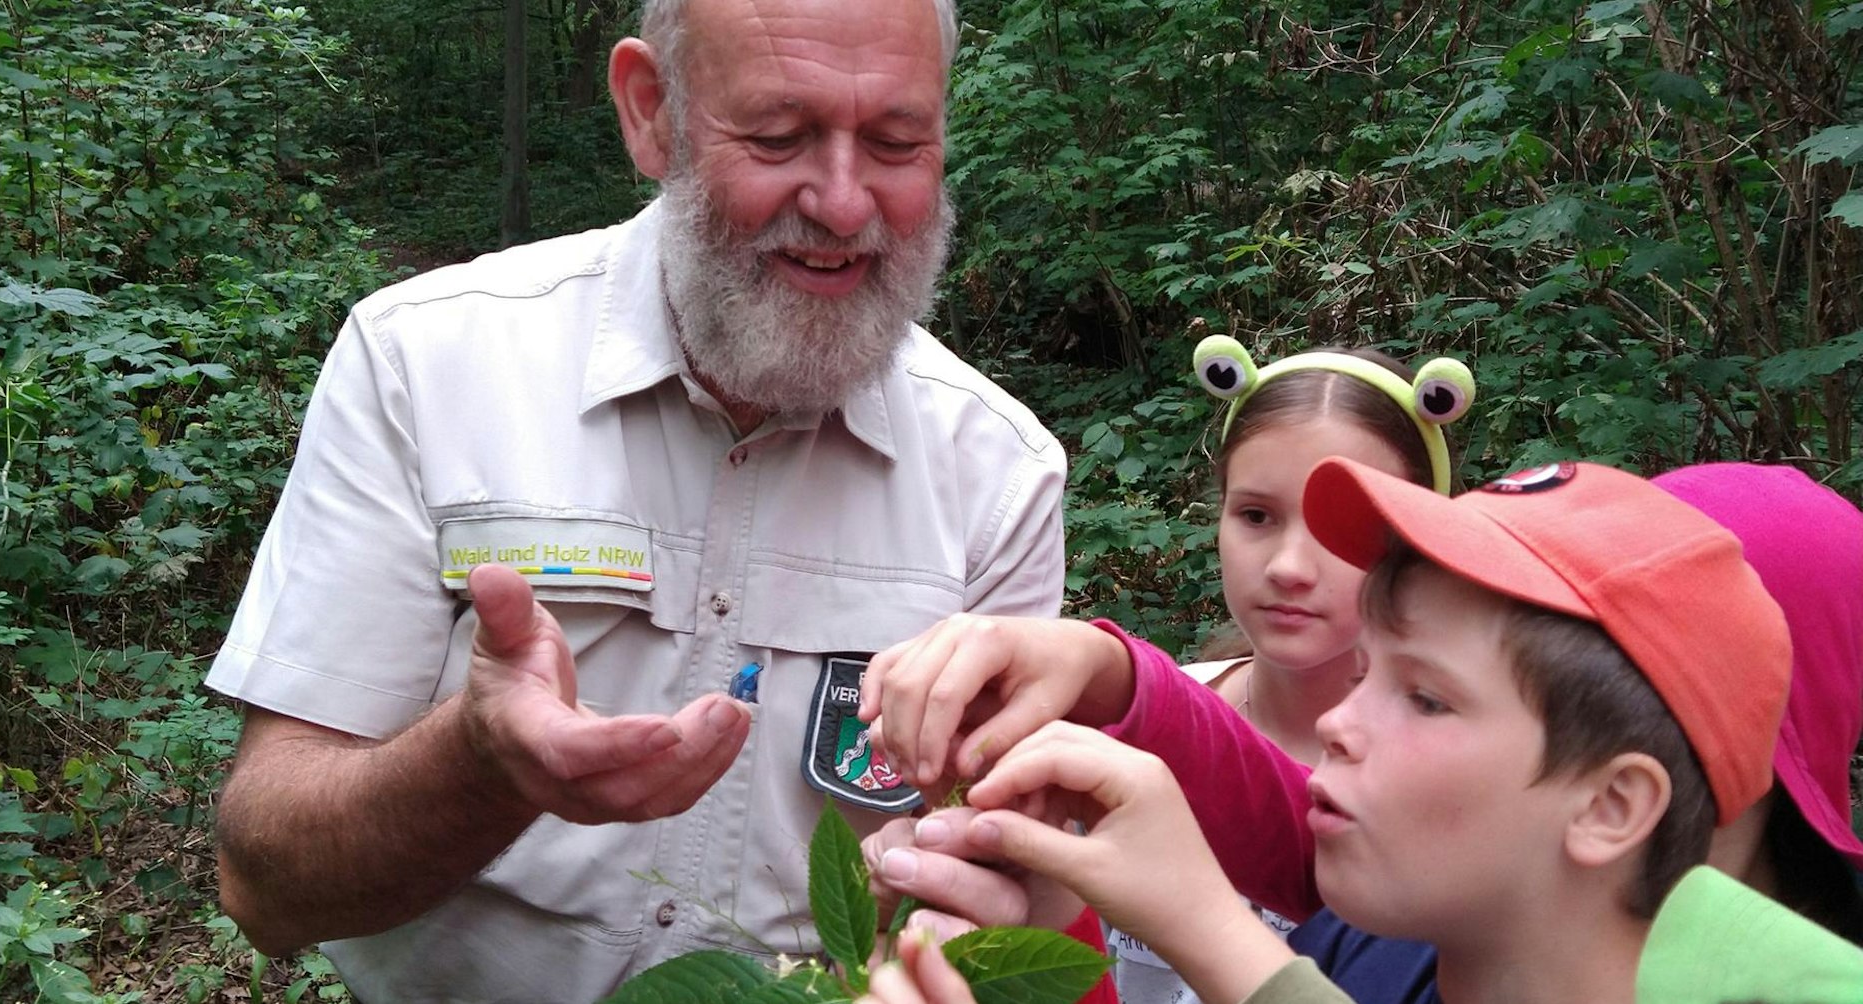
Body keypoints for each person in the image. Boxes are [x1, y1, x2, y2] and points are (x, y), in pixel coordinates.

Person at [202, 0, 1070, 999]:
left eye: (895, 142)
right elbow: (262, 882)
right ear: (649, 109)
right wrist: (481, 764)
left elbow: (994, 881)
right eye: (779, 136)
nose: (841, 202)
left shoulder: (998, 473)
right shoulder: (425, 365)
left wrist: (971, 903)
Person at [864, 461, 1863, 1000]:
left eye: (1423, 695)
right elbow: (1269, 810)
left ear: (1613, 800)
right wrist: (1054, 923)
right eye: (1365, 670)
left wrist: (1208, 926)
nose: (1335, 723)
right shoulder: (1394, 939)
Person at [1118, 336, 1475, 1001]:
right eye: (1256, 515)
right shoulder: (1139, 727)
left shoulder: (1455, 785)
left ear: (1422, 541)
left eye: (1340, 525)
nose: (1287, 566)